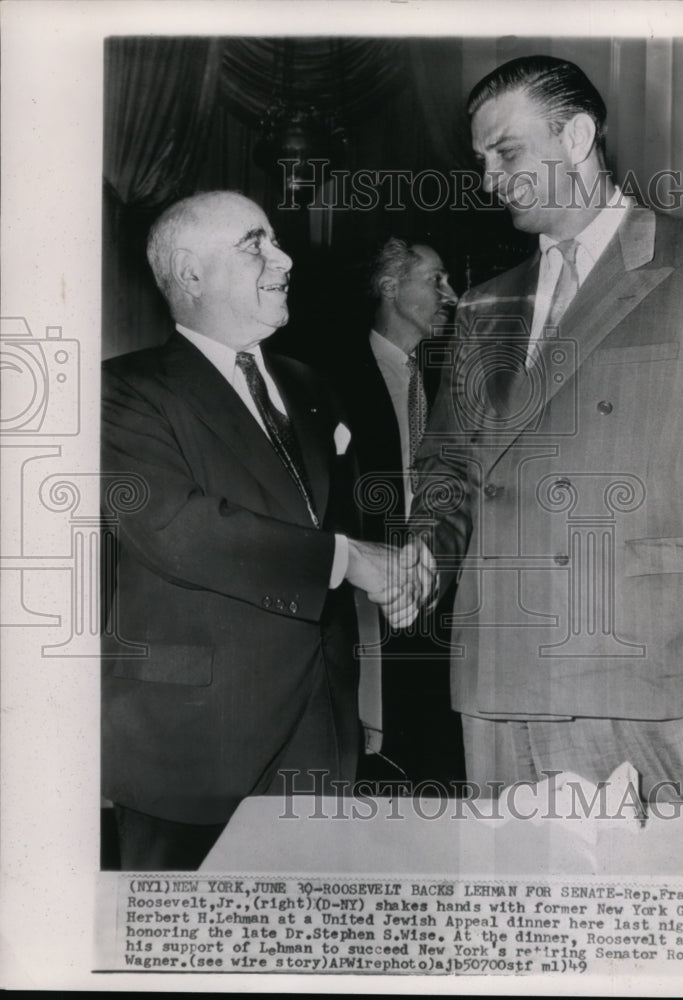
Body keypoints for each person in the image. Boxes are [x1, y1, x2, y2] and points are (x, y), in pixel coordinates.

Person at [408, 56, 683, 803]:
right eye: (480, 160)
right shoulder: (482, 305)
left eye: (504, 152)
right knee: (515, 916)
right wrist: (424, 553)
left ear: (575, 136)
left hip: (641, 661)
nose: (488, 177)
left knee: (653, 912)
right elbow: (449, 471)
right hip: (499, 674)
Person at [101, 190, 431, 869]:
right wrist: (349, 561)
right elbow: (177, 528)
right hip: (194, 747)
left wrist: (400, 577)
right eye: (256, 243)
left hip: (322, 737)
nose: (283, 258)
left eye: (276, 240)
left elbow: (342, 530)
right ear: (191, 274)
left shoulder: (315, 385)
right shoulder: (122, 392)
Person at [333, 238, 464, 785]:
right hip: (367, 600)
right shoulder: (328, 378)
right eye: (435, 280)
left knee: (443, 749)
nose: (450, 294)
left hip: (446, 591)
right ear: (390, 286)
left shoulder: (457, 376)